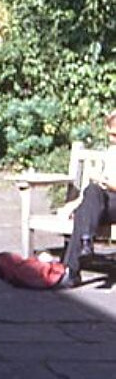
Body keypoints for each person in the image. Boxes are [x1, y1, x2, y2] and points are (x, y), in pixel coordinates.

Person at [63, 110, 116, 287]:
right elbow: (94, 191)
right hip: (103, 202)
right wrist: (74, 204)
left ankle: (72, 270)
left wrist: (104, 182)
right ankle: (86, 242)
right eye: (110, 134)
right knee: (86, 201)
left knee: (85, 211)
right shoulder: (111, 152)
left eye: (115, 134)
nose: (112, 138)